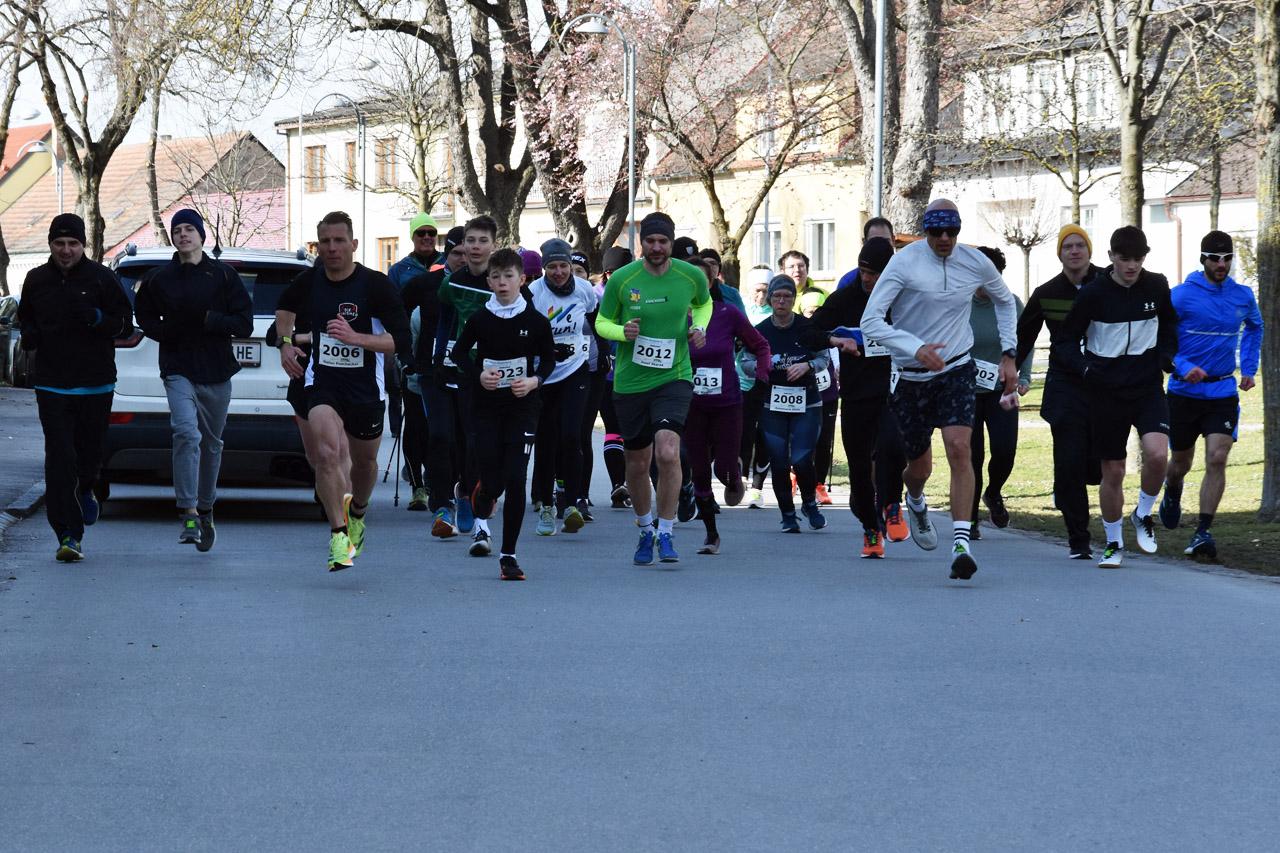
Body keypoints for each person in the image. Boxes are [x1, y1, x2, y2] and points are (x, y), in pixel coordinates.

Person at [860, 199, 1019, 581]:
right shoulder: (904, 263)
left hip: (957, 368)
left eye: (952, 231)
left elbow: (1005, 301)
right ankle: (915, 499)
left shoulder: (975, 262)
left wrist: (1009, 353)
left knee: (960, 447)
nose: (945, 238)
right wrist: (914, 348)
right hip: (911, 376)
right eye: (936, 232)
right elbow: (871, 322)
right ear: (926, 231)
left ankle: (961, 544)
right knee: (919, 468)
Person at [274, 211, 411, 571]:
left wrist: (357, 338)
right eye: (325, 242)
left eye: (339, 241)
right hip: (323, 382)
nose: (332, 248)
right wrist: (286, 344)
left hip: (365, 388)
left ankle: (358, 513)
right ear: (317, 246)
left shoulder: (375, 285)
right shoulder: (308, 281)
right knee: (327, 453)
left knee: (365, 464)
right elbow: (284, 311)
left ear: (354, 244)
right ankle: (338, 535)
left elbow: (401, 341)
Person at [1055, 225, 1178, 569]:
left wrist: (1166, 356)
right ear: (1111, 257)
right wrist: (1086, 370)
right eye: (1125, 259)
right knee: (1114, 470)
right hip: (1105, 392)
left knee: (1158, 455)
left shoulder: (1157, 285)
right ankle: (1113, 543)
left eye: (1138, 259)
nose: (1132, 266)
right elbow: (1065, 341)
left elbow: (1169, 325)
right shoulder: (1093, 294)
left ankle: (1142, 514)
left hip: (1147, 387)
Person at [596, 211, 711, 564]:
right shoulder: (623, 279)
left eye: (663, 241)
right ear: (641, 242)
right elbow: (602, 321)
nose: (656, 247)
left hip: (674, 376)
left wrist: (699, 327)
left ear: (671, 243)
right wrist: (621, 332)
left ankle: (666, 531)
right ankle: (645, 529)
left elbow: (703, 304)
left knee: (668, 451)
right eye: (650, 241)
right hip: (631, 382)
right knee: (637, 461)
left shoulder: (690, 275)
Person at [134, 208, 253, 551]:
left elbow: (244, 323)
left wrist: (210, 320)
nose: (183, 234)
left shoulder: (223, 276)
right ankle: (187, 512)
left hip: (216, 370)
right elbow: (143, 314)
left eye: (189, 229)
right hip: (177, 368)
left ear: (202, 235)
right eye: (177, 230)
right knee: (186, 433)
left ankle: (205, 508)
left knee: (211, 444)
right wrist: (165, 332)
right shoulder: (160, 278)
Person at [17, 213, 133, 562]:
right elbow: (26, 319)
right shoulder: (37, 280)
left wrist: (98, 319)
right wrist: (30, 336)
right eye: (59, 243)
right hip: (52, 384)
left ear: (83, 245)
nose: (66, 250)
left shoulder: (102, 278)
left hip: (95, 383)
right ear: (50, 245)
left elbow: (124, 325)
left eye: (73, 244)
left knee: (87, 457)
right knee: (59, 458)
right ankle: (68, 535)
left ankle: (86, 488)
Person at [452, 248, 555, 580]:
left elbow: (549, 360)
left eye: (508, 276)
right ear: (489, 281)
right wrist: (479, 375)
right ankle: (484, 492)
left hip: (523, 407)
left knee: (516, 477)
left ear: (521, 279)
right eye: (495, 277)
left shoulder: (536, 321)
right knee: (493, 480)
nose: (502, 282)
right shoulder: (480, 319)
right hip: (486, 408)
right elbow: (459, 354)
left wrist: (534, 381)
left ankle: (508, 556)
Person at [1159, 230, 1263, 560]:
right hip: (1183, 392)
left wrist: (1249, 367)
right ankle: (1172, 488)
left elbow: (1255, 326)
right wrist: (1182, 365)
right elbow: (1162, 338)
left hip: (1222, 391)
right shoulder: (1181, 296)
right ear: (1203, 259)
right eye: (1215, 259)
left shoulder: (1242, 295)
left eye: (1227, 258)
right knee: (1180, 462)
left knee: (1217, 457)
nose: (1222, 264)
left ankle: (1203, 531)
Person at [1015, 224, 1101, 558]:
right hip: (1065, 385)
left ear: (1089, 251)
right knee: (1069, 462)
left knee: (1094, 466)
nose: (1074, 251)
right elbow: (1024, 336)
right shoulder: (1046, 292)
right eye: (1068, 246)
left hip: (1103, 384)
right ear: (1060, 254)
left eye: (1080, 245)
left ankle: (1069, 488)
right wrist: (1007, 370)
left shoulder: (1106, 283)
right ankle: (1078, 539)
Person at [812, 236, 900, 558]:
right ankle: (870, 529)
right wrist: (834, 340)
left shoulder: (903, 299)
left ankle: (892, 505)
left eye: (874, 273)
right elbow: (808, 332)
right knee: (860, 467)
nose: (867, 278)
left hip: (894, 393)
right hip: (856, 395)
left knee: (893, 450)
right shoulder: (845, 298)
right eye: (863, 271)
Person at [682, 257, 771, 553]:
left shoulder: (727, 313)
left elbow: (760, 345)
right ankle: (711, 535)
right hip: (691, 404)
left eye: (701, 280)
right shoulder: (674, 316)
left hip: (727, 403)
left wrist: (762, 374)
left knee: (724, 470)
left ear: (711, 283)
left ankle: (734, 476)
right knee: (699, 472)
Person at [434, 215, 501, 551]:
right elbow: (445, 320)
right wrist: (438, 357)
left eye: (482, 241)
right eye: (470, 241)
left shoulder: (501, 279)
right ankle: (466, 494)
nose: (475, 247)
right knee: (467, 436)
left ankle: (479, 491)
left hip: (501, 371)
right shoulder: (453, 283)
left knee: (491, 440)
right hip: (466, 369)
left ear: (494, 245)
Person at [529, 238, 599, 536]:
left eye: (563, 266)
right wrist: (545, 350)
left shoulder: (584, 290)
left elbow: (594, 320)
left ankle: (571, 503)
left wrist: (602, 354)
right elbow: (525, 332)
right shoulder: (534, 293)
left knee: (572, 436)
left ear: (571, 266)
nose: (558, 272)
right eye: (552, 267)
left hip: (576, 370)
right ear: (544, 269)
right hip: (544, 374)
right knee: (546, 441)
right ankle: (546, 505)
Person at [753, 275, 831, 532]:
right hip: (772, 403)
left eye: (787, 296)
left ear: (794, 299)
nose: (782, 301)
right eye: (777, 296)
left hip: (806, 401)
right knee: (778, 461)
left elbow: (824, 358)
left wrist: (807, 365)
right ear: (770, 299)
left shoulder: (807, 328)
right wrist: (763, 366)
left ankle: (809, 504)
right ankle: (787, 514)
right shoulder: (760, 331)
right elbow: (744, 362)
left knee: (802, 458)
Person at [402, 225, 466, 522]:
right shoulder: (427, 283)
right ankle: (440, 500)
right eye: (456, 253)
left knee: (465, 438)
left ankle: (463, 490)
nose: (462, 259)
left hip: (471, 373)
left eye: (467, 253)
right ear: (446, 254)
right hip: (432, 372)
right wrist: (405, 355)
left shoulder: (488, 283)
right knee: (439, 435)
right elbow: (396, 312)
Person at [967, 247, 1031, 539]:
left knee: (1005, 451)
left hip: (1001, 390)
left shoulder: (1010, 303)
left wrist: (1023, 376)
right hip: (965, 391)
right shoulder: (960, 303)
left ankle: (993, 492)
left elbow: (1024, 341)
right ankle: (969, 519)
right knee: (971, 456)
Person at [589, 246, 634, 509]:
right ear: (608, 273)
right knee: (615, 428)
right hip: (607, 373)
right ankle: (619, 484)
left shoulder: (638, 294)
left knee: (627, 432)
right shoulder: (595, 297)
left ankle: (623, 483)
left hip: (634, 372)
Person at [739, 265, 774, 508]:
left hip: (768, 382)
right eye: (757, 290)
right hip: (742, 379)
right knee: (744, 433)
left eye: (765, 290)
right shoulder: (741, 311)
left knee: (765, 434)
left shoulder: (776, 313)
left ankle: (757, 487)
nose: (761, 295)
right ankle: (740, 479)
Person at [837, 217, 896, 291]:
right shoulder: (848, 281)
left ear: (893, 240)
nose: (880, 246)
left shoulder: (906, 275)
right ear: (864, 242)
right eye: (873, 241)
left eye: (885, 241)